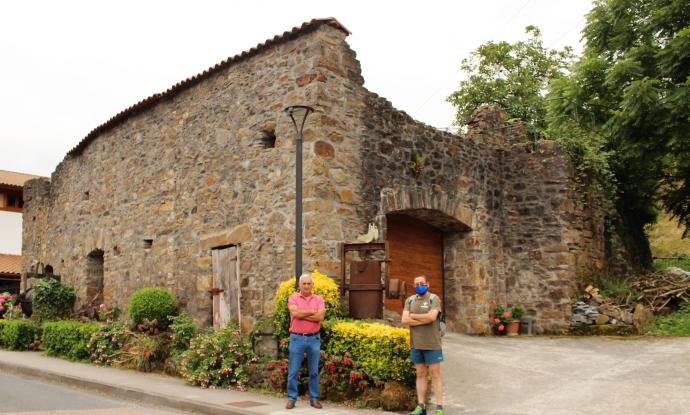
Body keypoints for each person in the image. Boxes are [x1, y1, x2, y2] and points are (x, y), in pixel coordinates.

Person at [401, 275, 444, 415]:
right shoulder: (410, 300)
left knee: (435, 374)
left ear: (428, 284)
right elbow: (404, 319)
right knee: (420, 374)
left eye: (422, 283)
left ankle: (439, 408)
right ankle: (421, 406)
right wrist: (424, 318)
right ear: (414, 286)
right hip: (416, 343)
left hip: (432, 343)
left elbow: (432, 317)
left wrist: (413, 316)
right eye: (416, 284)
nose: (419, 285)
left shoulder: (434, 298)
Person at [285, 272, 325, 409]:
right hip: (297, 338)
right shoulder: (293, 298)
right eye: (304, 283)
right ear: (300, 285)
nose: (307, 286)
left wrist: (303, 314)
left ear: (312, 285)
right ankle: (291, 398)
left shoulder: (319, 299)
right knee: (293, 371)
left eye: (309, 283)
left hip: (314, 338)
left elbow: (320, 317)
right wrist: (312, 311)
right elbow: (295, 313)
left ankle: (314, 399)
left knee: (314, 371)